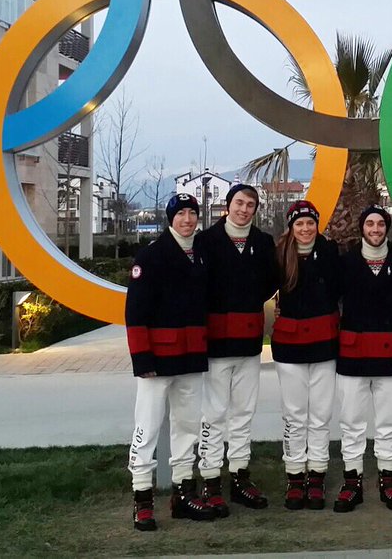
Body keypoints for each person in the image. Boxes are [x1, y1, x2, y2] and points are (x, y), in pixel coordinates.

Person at [125, 192, 216, 531]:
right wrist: (141, 358)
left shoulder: (201, 254)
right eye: (181, 214)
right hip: (158, 359)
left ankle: (183, 493)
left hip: (191, 355)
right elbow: (135, 313)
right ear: (170, 218)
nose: (188, 220)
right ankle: (142, 499)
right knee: (146, 429)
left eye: (192, 213)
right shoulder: (150, 256)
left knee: (187, 427)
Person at [196, 183, 278, 516]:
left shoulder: (263, 243)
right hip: (216, 342)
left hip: (248, 342)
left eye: (251, 205)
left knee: (243, 414)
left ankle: (240, 475)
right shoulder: (205, 241)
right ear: (226, 206)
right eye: (239, 203)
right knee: (214, 414)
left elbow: (270, 282)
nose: (244, 209)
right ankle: (210, 479)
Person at [333, 204, 392, 513]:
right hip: (352, 353)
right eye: (370, 224)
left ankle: (388, 478)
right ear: (361, 228)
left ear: (386, 228)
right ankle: (353, 481)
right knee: (351, 421)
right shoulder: (346, 262)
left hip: (389, 351)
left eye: (380, 224)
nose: (375, 229)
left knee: (388, 421)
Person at [271, 199, 341, 510]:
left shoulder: (329, 252)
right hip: (289, 346)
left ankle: (317, 474)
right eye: (299, 223)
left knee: (321, 415)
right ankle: (295, 475)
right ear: (291, 227)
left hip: (325, 342)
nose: (305, 228)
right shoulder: (278, 254)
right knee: (295, 415)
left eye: (310, 222)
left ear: (317, 225)